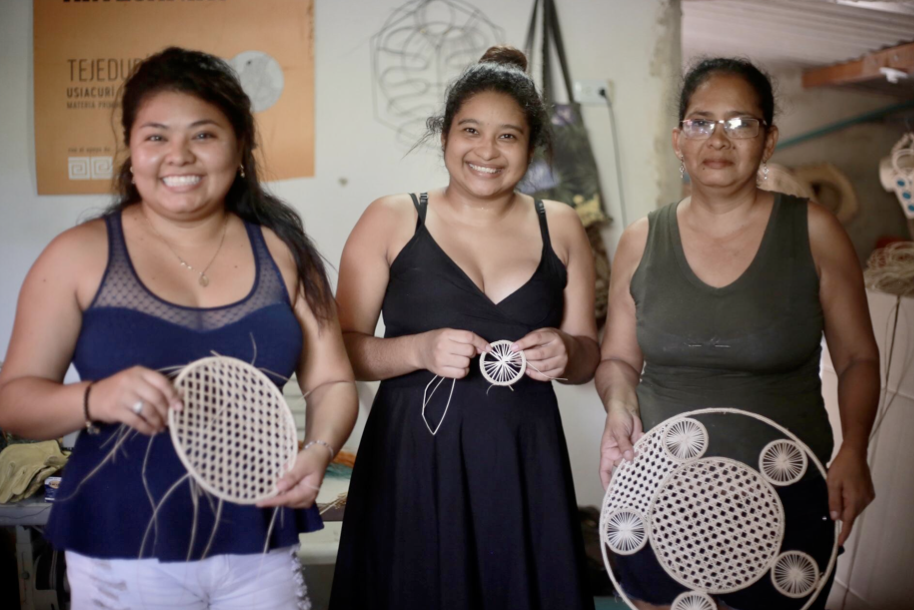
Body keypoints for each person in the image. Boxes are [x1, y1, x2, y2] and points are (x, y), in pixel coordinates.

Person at [0, 47, 358, 609]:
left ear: (239, 146)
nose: (179, 155)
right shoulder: (79, 255)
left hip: (257, 534)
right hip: (124, 542)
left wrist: (318, 448)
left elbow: (331, 381)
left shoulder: (284, 252)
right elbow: (14, 401)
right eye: (156, 136)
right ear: (132, 151)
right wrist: (97, 396)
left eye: (204, 135)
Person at [596, 57, 879, 610]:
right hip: (662, 494)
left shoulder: (815, 231)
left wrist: (855, 449)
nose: (718, 139)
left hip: (785, 492)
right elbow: (618, 362)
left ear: (768, 139)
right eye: (701, 122)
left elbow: (857, 360)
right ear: (679, 140)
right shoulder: (640, 240)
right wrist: (617, 408)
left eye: (739, 123)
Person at [330, 46, 599, 610]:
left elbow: (587, 358)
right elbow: (341, 353)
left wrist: (566, 351)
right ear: (445, 134)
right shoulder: (393, 217)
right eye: (470, 130)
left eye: (508, 136)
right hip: (414, 463)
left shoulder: (564, 226)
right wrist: (417, 349)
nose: (487, 150)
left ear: (533, 146)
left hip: (524, 462)